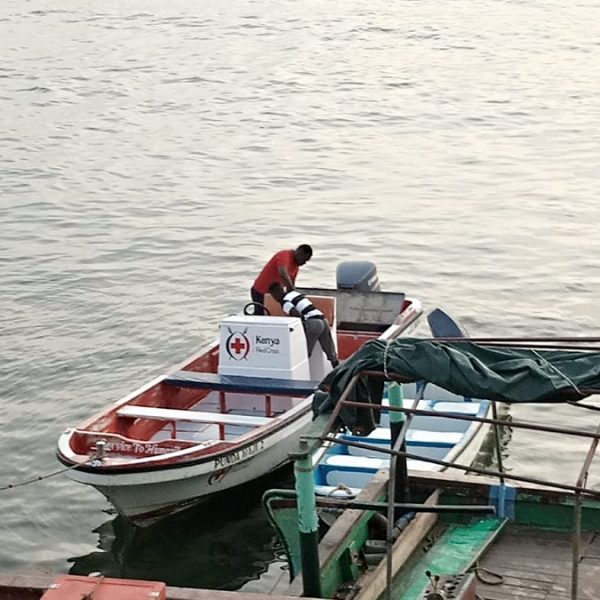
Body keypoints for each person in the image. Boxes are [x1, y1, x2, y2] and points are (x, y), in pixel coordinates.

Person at [268, 282, 339, 368]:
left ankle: (302, 376)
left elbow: (297, 315)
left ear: (275, 293)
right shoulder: (293, 293)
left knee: (304, 354)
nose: (275, 299)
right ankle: (338, 371)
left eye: (273, 296)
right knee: (330, 351)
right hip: (323, 320)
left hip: (313, 324)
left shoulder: (285, 302)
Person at [250, 244, 313, 315]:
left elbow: (291, 286)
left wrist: (294, 298)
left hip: (274, 295)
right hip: (260, 292)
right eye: (304, 259)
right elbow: (283, 274)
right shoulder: (285, 255)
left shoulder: (295, 267)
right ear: (299, 253)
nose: (304, 263)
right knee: (260, 315)